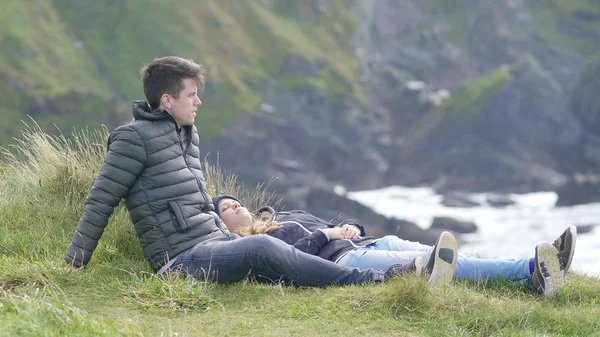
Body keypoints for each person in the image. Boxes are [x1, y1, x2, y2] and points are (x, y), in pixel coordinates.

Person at [64, 56, 458, 288]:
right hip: (179, 260)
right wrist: (76, 260)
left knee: (274, 240)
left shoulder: (188, 134)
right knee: (265, 246)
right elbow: (102, 197)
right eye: (191, 95)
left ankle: (407, 265)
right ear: (166, 100)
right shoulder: (132, 139)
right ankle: (379, 279)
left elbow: (199, 201)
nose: (199, 101)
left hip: (213, 243)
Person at [213, 195, 577, 297]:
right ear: (223, 224)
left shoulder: (285, 215)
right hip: (349, 258)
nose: (234, 206)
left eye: (233, 201)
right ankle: (532, 268)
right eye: (225, 209)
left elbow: (339, 223)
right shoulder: (255, 245)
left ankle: (529, 285)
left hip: (370, 241)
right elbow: (299, 258)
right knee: (441, 265)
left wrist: (350, 227)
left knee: (451, 263)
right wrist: (333, 236)